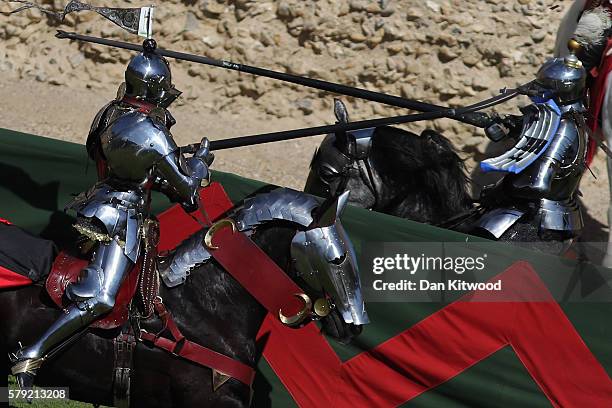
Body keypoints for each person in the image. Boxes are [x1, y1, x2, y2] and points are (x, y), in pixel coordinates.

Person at [9, 39, 213, 388]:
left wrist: (165, 165)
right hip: (121, 220)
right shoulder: (154, 133)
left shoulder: (111, 112)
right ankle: (31, 356)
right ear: (155, 87)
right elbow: (189, 195)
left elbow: (134, 172)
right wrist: (197, 163)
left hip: (97, 202)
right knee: (102, 296)